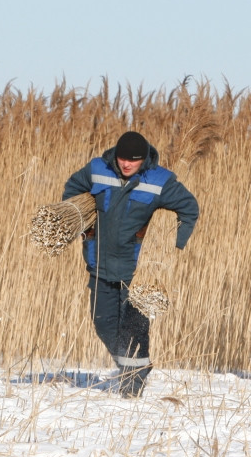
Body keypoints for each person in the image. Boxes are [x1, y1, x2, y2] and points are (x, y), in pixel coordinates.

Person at [63, 131, 200, 398]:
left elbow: (189, 208)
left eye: (133, 161)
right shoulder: (97, 169)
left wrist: (174, 246)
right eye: (123, 158)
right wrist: (78, 221)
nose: (127, 165)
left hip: (137, 272)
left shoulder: (160, 180)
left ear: (144, 160)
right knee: (103, 324)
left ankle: (131, 389)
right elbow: (73, 189)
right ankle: (137, 367)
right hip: (99, 263)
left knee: (133, 329)